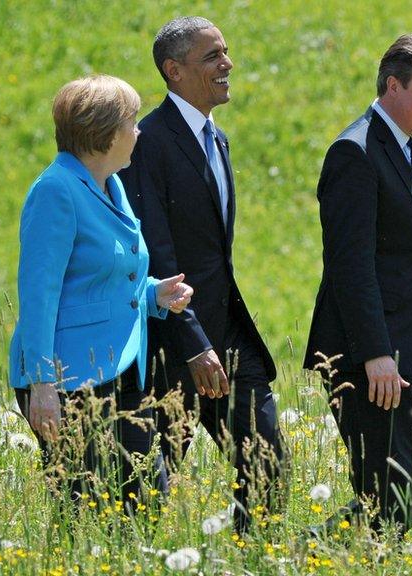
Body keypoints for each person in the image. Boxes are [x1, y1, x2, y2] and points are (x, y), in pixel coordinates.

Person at [119, 16, 285, 533]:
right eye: (212, 56)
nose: (227, 64)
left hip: (228, 332)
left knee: (267, 465)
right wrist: (192, 341)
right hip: (175, 345)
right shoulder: (146, 141)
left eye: (226, 52)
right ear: (174, 71)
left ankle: (250, 558)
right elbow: (157, 251)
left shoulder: (219, 138)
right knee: (145, 493)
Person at [9, 74, 193, 513]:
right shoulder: (55, 191)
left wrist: (153, 295)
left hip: (123, 369)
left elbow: (102, 277)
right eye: (131, 122)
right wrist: (43, 384)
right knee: (86, 513)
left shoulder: (110, 183)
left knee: (147, 505)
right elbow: (39, 294)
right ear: (104, 133)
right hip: (68, 379)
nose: (139, 132)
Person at [302, 34, 412, 537]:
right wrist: (375, 354)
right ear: (394, 85)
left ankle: (316, 555)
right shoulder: (355, 153)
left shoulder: (405, 150)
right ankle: (314, 561)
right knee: (386, 492)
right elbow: (350, 265)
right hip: (370, 361)